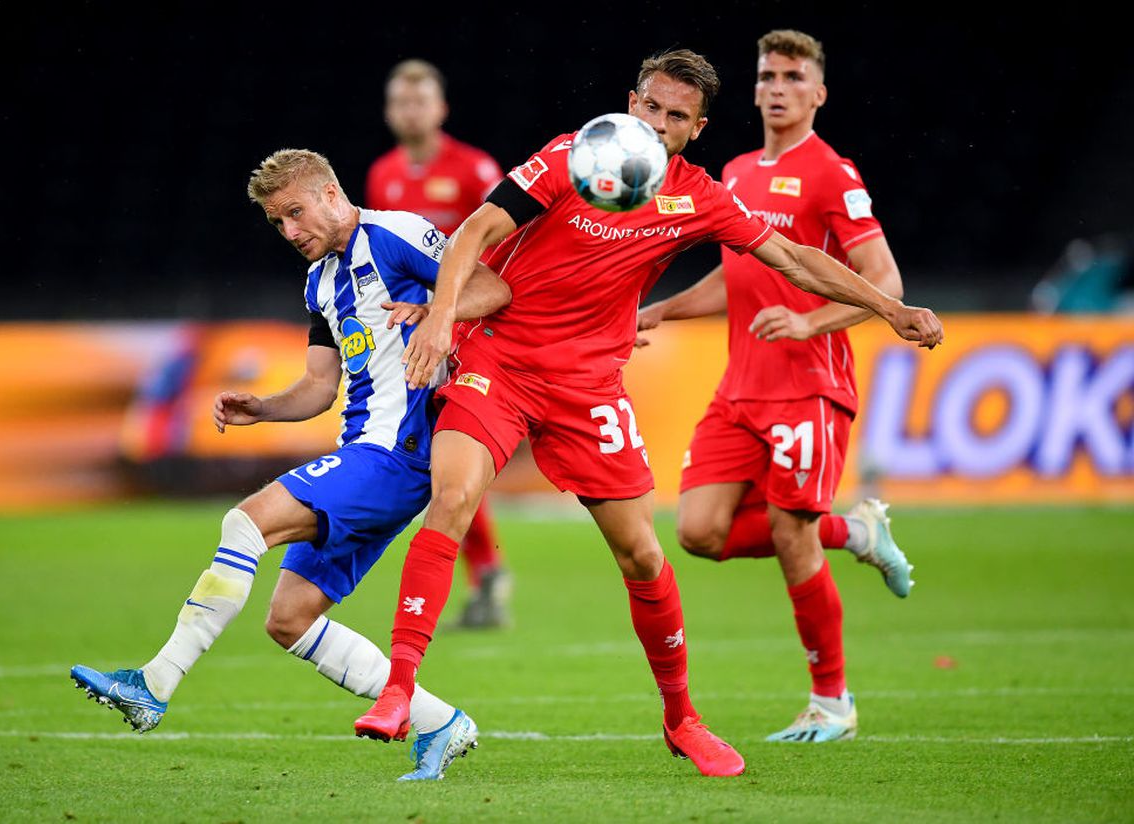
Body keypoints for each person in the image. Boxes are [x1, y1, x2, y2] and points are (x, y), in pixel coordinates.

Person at [351, 49, 942, 779]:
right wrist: (442, 318)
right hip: (498, 360)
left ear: (696, 130)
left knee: (645, 554)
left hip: (588, 387)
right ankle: (399, 689)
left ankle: (681, 718)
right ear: (630, 103)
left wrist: (889, 308)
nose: (658, 126)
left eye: (676, 118)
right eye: (651, 108)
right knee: (453, 496)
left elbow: (791, 258)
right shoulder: (574, 155)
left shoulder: (696, 196)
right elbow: (476, 230)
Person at [70, 148, 512, 781]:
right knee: (290, 619)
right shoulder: (318, 284)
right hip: (362, 451)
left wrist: (436, 310)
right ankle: (442, 722)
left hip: (400, 452)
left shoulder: (398, 234)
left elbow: (495, 288)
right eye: (278, 223)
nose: (290, 233)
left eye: (296, 214)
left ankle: (154, 682)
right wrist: (264, 407)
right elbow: (319, 386)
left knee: (245, 523)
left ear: (332, 195)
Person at [637, 30, 913, 744]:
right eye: (768, 75)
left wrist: (810, 319)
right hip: (741, 386)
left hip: (809, 386)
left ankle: (832, 702)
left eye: (794, 75)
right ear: (755, 90)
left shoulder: (831, 173)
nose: (779, 86)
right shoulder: (732, 171)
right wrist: (667, 307)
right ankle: (855, 530)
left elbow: (884, 283)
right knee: (698, 531)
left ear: (818, 93)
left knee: (791, 531)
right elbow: (738, 279)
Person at [365, 59, 512, 629]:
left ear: (440, 109)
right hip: (414, 331)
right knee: (437, 458)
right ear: (389, 112)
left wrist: (459, 315)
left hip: (469, 328)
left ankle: (485, 574)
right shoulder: (383, 174)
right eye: (401, 103)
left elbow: (504, 242)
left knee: (448, 455)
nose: (410, 111)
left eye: (420, 101)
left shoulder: (474, 168)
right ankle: (486, 574)